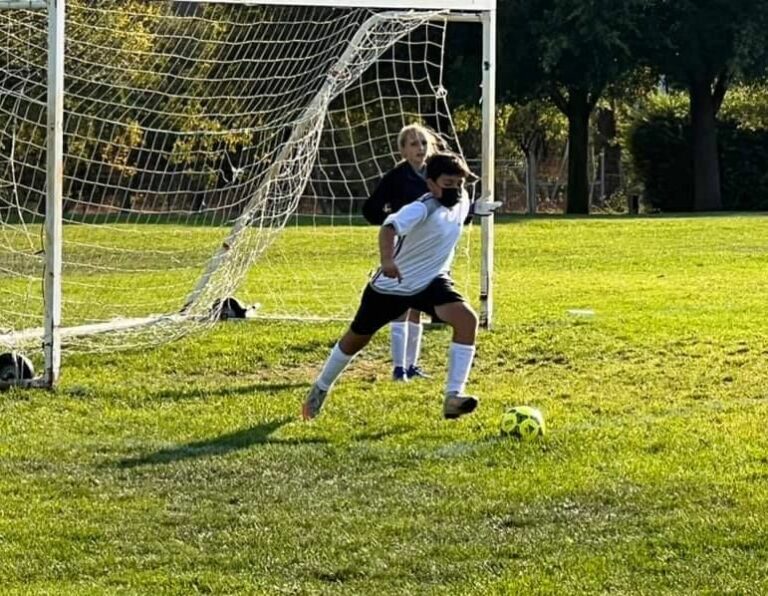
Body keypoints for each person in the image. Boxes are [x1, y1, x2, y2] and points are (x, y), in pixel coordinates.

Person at [303, 152, 479, 421]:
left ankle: (453, 397)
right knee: (356, 339)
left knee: (467, 320)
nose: (455, 189)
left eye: (459, 183)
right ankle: (320, 388)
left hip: (432, 281)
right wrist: (387, 260)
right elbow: (388, 228)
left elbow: (455, 221)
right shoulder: (422, 208)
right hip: (393, 284)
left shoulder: (463, 199)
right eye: (448, 183)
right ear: (431, 184)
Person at [362, 124, 440, 382]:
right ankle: (398, 368)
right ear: (403, 150)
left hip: (428, 247)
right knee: (401, 304)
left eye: (423, 143)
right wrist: (395, 220)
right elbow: (371, 210)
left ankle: (412, 364)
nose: (420, 148)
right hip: (403, 247)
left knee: (418, 305)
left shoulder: (436, 173)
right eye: (414, 144)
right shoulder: (396, 177)